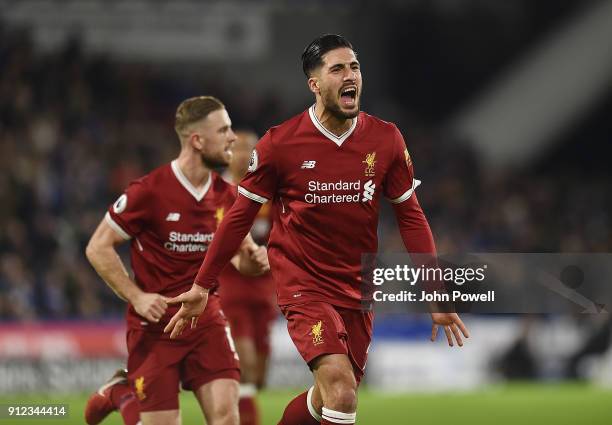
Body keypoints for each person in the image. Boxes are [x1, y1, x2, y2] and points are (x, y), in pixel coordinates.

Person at [165, 35, 469, 425]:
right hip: (303, 283)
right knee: (341, 394)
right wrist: (202, 285)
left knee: (329, 397)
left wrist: (435, 290)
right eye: (337, 68)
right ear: (315, 84)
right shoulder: (281, 143)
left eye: (355, 67)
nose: (351, 75)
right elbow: (239, 216)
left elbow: (410, 217)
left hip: (358, 286)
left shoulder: (386, 138)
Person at [84, 96, 270, 425]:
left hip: (207, 321)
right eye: (224, 130)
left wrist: (255, 260)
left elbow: (242, 259)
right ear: (197, 140)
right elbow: (98, 246)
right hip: (155, 328)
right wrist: (137, 296)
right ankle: (120, 393)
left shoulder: (229, 196)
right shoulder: (149, 192)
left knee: (228, 419)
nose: (232, 138)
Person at [218, 130, 278, 425]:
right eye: (238, 148)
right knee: (246, 365)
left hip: (265, 289)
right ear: (227, 152)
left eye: (249, 148)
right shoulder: (217, 191)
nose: (244, 154)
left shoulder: (269, 191)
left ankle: (235, 409)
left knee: (261, 376)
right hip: (232, 289)